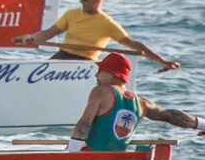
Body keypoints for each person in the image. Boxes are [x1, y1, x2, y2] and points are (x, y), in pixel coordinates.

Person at [13, 0, 179, 70]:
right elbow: (49, 33)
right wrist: (31, 38)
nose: (80, 2)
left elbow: (135, 45)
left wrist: (163, 61)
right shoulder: (72, 14)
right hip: (62, 55)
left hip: (85, 63)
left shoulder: (107, 23)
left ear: (96, 1)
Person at [68, 52, 203, 152]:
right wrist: (202, 124)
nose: (96, 75)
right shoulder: (141, 102)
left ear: (112, 74)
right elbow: (172, 116)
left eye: (100, 71)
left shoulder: (101, 91)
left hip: (91, 158)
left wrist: (72, 151)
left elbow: (84, 124)